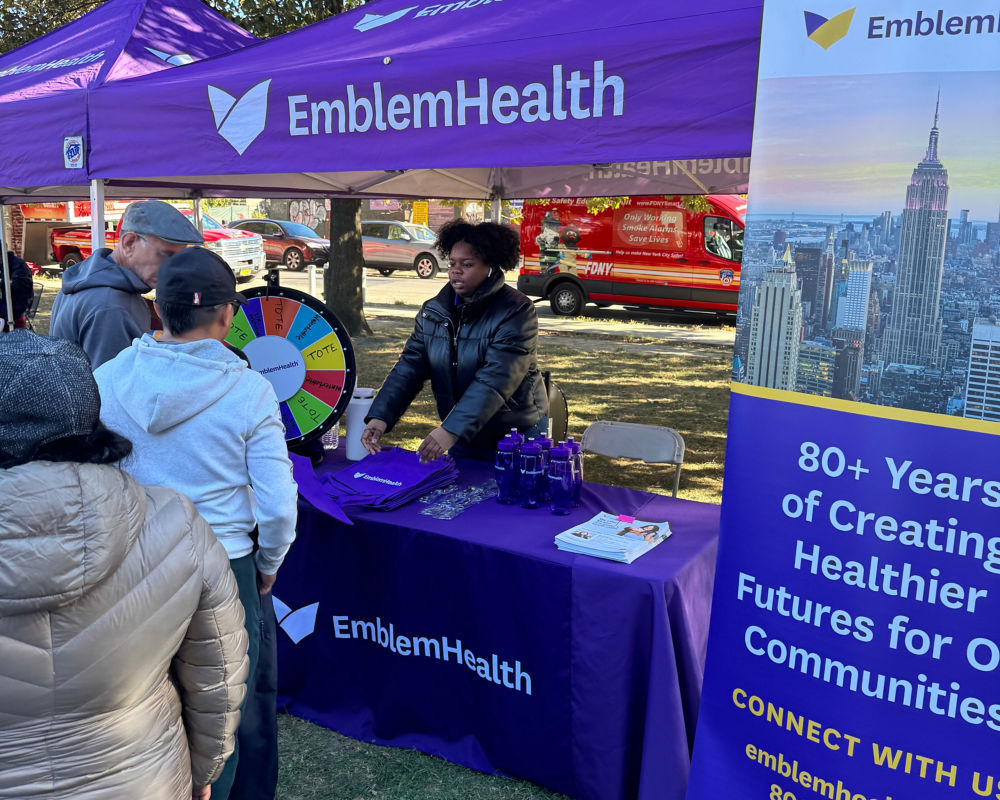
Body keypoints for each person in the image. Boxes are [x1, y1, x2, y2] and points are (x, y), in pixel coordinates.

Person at [0, 330, 249, 800]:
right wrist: (204, 771)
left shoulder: (177, 524)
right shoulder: (176, 523)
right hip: (144, 779)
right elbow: (217, 674)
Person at [94, 246, 298, 800]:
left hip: (133, 560)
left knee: (148, 703)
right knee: (229, 708)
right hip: (223, 565)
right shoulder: (250, 389)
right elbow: (279, 504)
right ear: (229, 315)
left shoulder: (109, 375)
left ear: (159, 310)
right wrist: (268, 566)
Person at [362, 219, 548, 462]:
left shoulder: (516, 310)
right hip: (462, 432)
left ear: (490, 266)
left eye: (467, 264)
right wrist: (381, 416)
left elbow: (497, 378)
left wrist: (451, 430)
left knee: (515, 497)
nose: (455, 271)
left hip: (517, 433)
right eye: (452, 263)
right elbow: (409, 368)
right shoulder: (433, 311)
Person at [49, 199, 203, 367]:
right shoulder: (111, 306)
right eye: (166, 255)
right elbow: (111, 388)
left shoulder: (84, 279)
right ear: (129, 243)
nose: (174, 268)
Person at [0, 251, 33, 331]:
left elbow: (19, 286)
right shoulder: (3, 265)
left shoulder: (19, 266)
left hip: (14, 314)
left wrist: (2, 282)